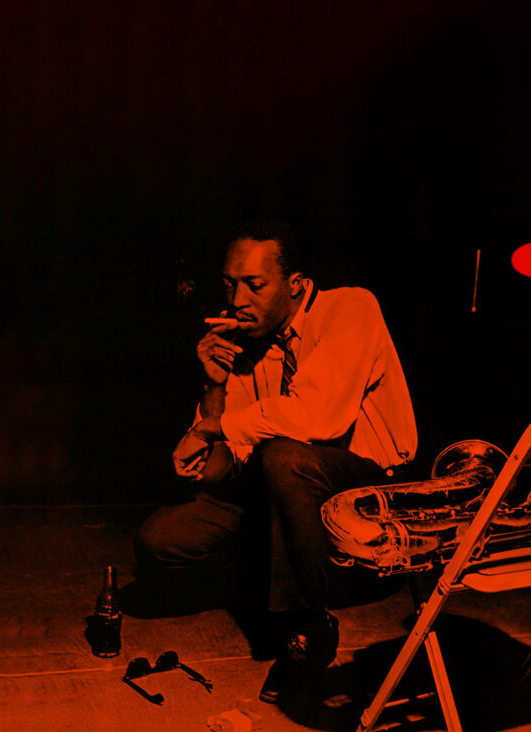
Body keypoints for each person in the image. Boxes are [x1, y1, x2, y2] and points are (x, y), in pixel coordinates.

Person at [134, 219, 418, 703]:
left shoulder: (350, 308)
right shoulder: (244, 349)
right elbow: (218, 469)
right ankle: (278, 574)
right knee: (160, 540)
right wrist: (213, 387)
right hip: (279, 491)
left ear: (296, 284)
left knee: (284, 455)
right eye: (229, 285)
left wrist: (212, 428)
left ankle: (308, 627)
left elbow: (318, 416)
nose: (237, 300)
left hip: (368, 493)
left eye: (254, 285)